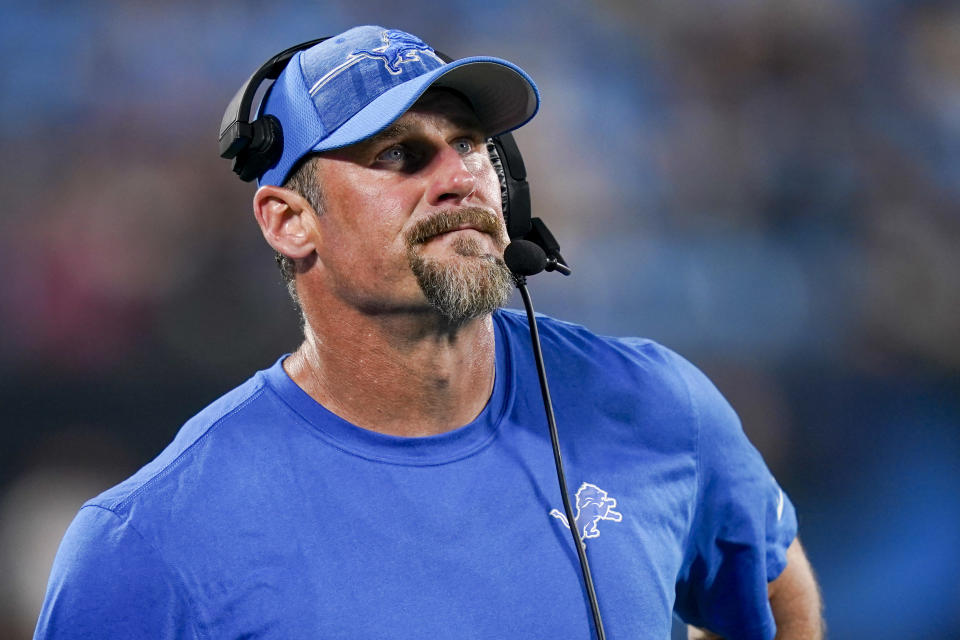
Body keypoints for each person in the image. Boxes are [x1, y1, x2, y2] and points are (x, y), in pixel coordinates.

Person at [34, 25, 822, 639]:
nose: (459, 177)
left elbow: (777, 595)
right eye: (400, 154)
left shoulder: (654, 401)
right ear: (289, 222)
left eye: (471, 145)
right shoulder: (149, 545)